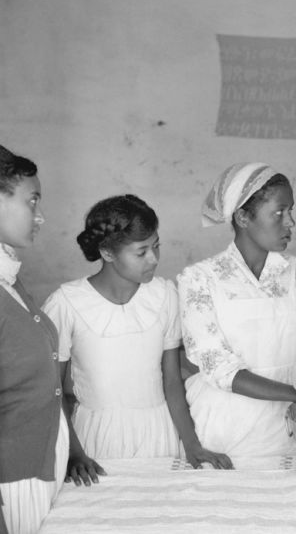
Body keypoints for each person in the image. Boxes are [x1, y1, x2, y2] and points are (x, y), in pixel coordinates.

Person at [177, 162, 296, 462]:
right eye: (279, 212)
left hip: (287, 428)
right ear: (243, 217)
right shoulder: (199, 279)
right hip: (222, 431)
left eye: (291, 211)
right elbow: (220, 370)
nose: (291, 222)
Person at [42, 195, 232, 470]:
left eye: (156, 246)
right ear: (107, 253)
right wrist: (73, 452)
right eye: (141, 252)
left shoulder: (165, 295)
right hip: (93, 441)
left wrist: (192, 445)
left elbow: (171, 381)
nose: (153, 259)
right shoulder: (66, 303)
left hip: (159, 433)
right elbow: (52, 390)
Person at [0, 144, 90, 534]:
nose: (41, 216)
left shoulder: (11, 280)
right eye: (31, 201)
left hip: (37, 468)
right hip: (12, 479)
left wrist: (67, 447)